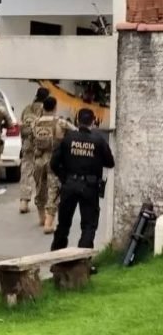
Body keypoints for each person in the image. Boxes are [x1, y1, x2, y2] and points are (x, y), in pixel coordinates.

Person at [50, 108, 115, 259]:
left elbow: (54, 163)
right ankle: (82, 261)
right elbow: (110, 163)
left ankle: (56, 259)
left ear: (78, 121)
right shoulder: (98, 140)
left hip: (69, 184)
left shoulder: (68, 138)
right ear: (93, 121)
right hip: (90, 187)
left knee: (63, 224)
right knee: (88, 226)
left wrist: (64, 177)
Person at [31, 96, 77, 234]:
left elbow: (30, 139)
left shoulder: (35, 123)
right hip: (54, 160)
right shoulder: (60, 122)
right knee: (54, 191)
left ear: (43, 107)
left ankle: (41, 217)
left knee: (40, 188)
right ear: (55, 107)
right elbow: (75, 132)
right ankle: (49, 223)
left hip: (38, 160)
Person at [19, 87, 50, 214]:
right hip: (40, 146)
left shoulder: (27, 108)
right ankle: (42, 201)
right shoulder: (45, 109)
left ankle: (24, 202)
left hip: (27, 144)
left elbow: (22, 124)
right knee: (41, 173)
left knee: (26, 170)